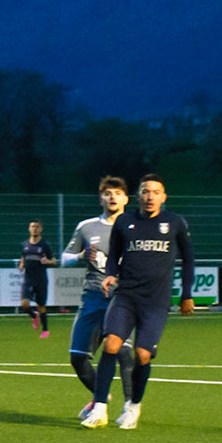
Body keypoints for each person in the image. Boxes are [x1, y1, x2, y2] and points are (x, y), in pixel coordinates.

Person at [82, 174, 194, 430]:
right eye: (145, 191)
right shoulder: (125, 221)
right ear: (138, 196)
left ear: (163, 197)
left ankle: (133, 406)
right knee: (111, 344)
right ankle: (99, 409)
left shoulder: (174, 223)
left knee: (142, 355)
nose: (150, 196)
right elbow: (114, 255)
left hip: (156, 301)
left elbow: (189, 259)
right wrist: (111, 274)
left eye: (155, 192)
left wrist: (186, 294)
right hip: (126, 296)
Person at [63, 177, 135, 418]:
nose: (112, 197)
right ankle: (100, 397)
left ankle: (130, 407)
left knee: (123, 351)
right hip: (92, 299)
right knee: (77, 358)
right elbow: (64, 258)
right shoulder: (87, 227)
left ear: (126, 199)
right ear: (101, 199)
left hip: (122, 298)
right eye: (107, 193)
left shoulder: (135, 227)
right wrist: (81, 256)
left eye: (118, 193)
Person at [18, 220, 55, 337]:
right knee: (24, 304)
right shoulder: (24, 244)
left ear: (41, 229)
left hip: (41, 279)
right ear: (29, 228)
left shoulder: (45, 245)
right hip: (28, 279)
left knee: (41, 306)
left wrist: (47, 261)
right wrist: (21, 264)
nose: (34, 229)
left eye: (37, 227)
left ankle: (45, 330)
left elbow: (54, 261)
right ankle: (34, 315)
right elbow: (23, 256)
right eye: (32, 226)